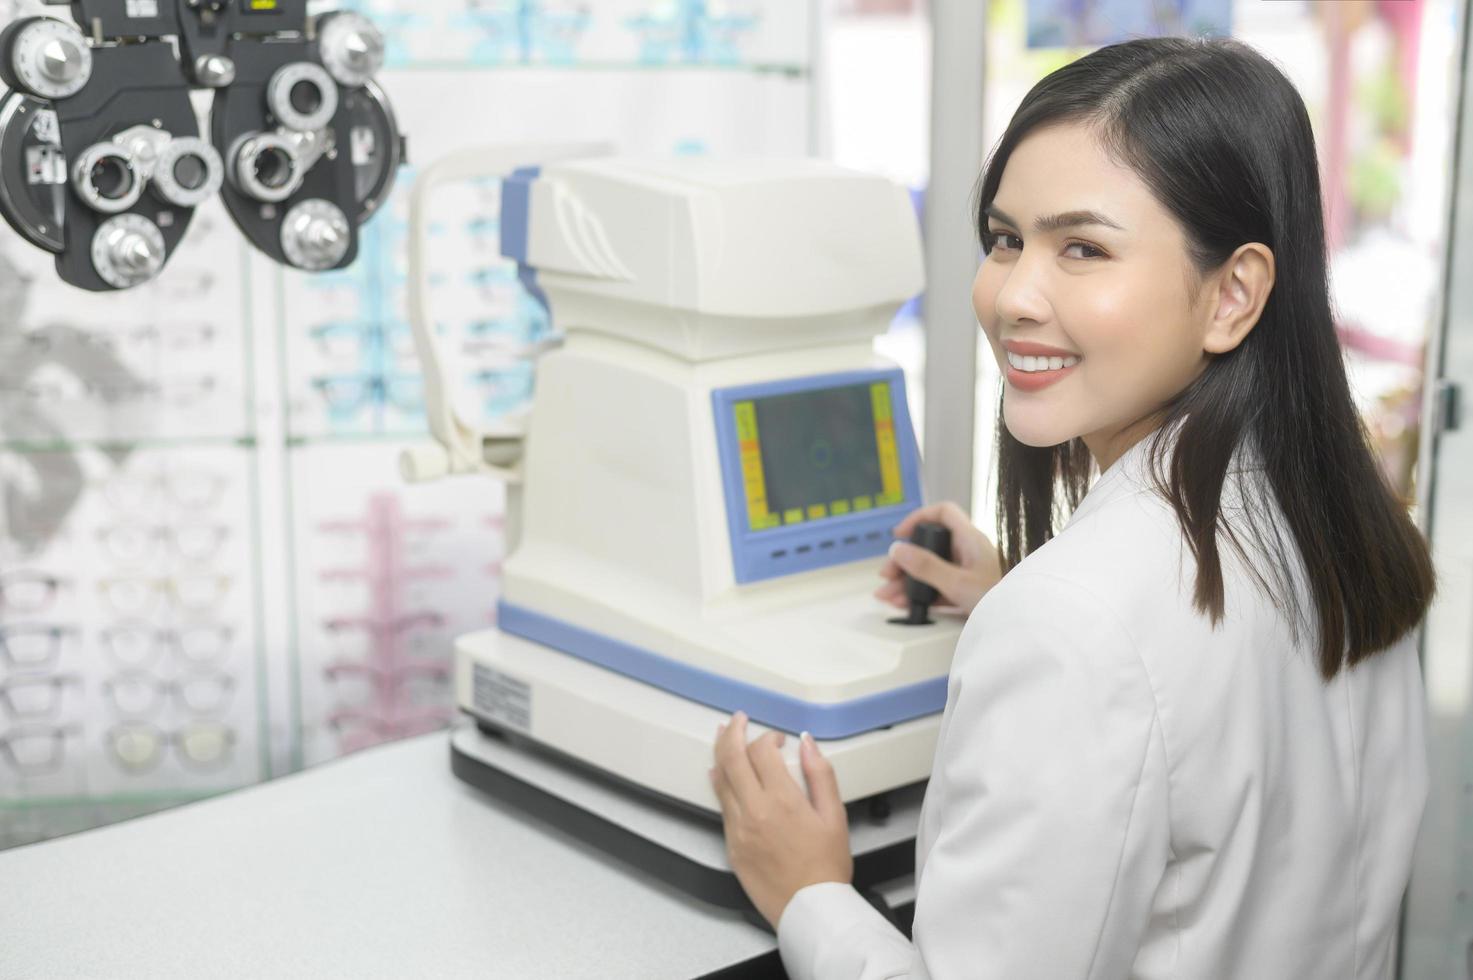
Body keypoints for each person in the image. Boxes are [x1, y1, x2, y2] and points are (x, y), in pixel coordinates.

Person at [710, 35, 1436, 980]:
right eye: (1005, 239)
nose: (1013, 294)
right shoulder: (1344, 529)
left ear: (1233, 295)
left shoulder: (1075, 623)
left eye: (1083, 247)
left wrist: (808, 891)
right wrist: (1021, 591)